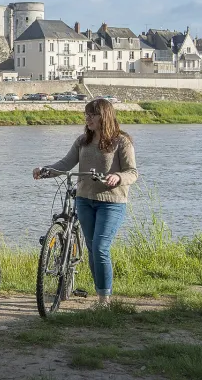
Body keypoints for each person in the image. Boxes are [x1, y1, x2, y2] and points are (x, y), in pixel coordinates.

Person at [32, 97, 138, 306]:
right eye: (86, 114)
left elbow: (132, 172)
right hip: (84, 200)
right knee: (91, 247)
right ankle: (100, 293)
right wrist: (45, 171)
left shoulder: (121, 142)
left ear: (104, 116)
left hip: (111, 202)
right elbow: (65, 163)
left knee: (100, 247)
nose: (87, 118)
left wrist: (118, 177)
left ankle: (104, 300)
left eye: (92, 114)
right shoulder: (83, 141)